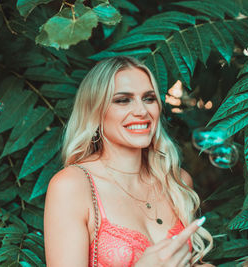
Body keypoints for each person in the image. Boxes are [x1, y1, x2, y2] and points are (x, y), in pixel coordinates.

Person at [44, 56, 214, 266]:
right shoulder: (72, 186)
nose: (142, 111)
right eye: (123, 100)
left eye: (149, 98)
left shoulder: (176, 181)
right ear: (95, 111)